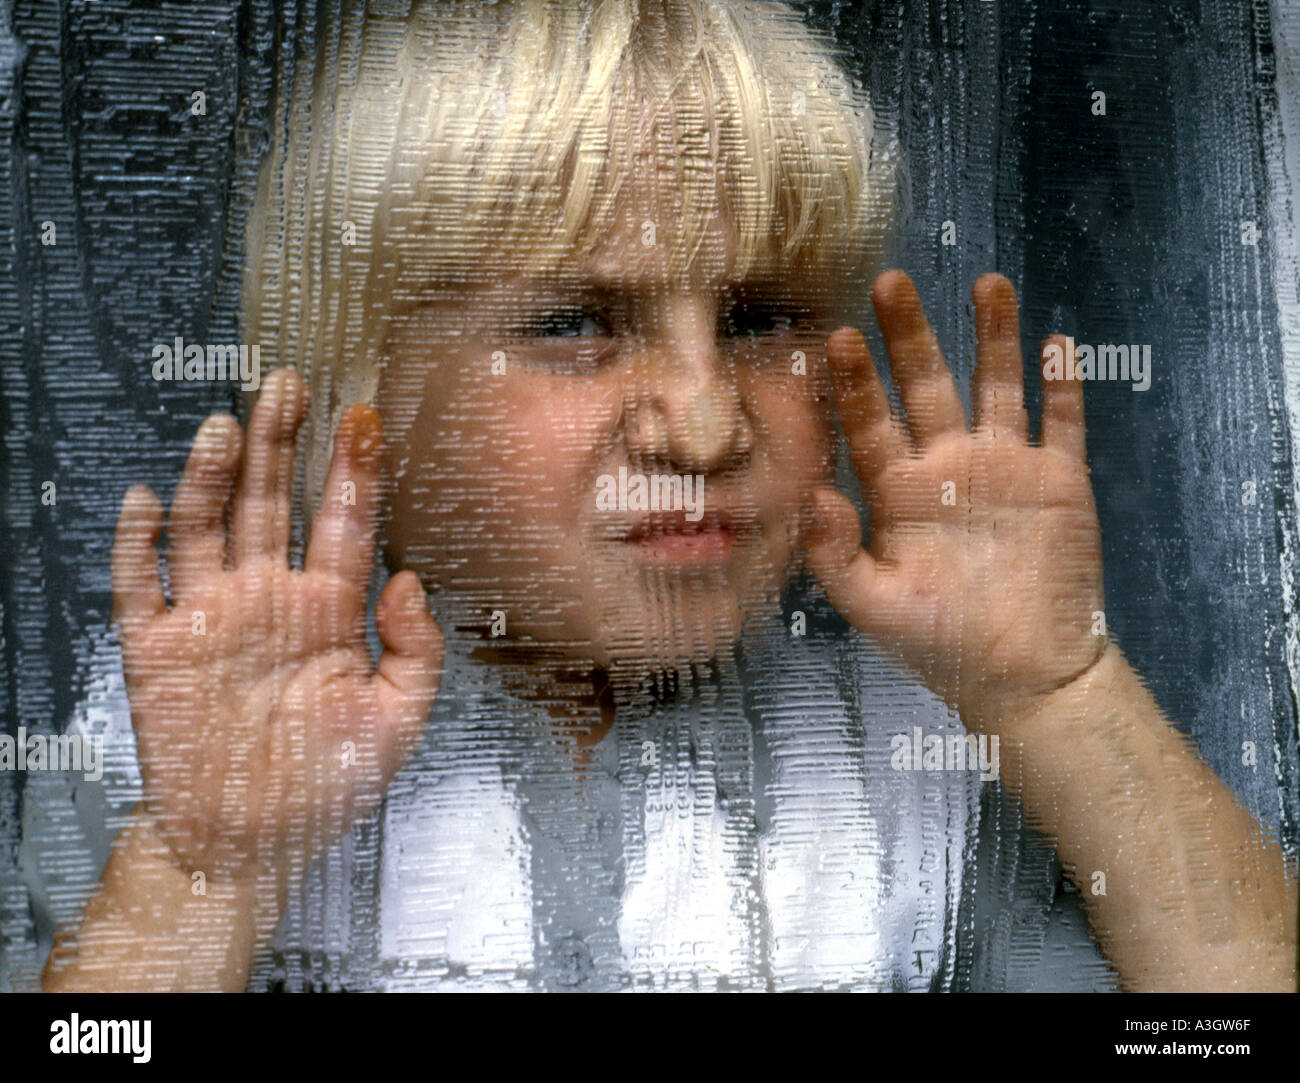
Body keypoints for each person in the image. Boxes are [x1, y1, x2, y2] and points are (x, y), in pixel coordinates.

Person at [38, 0, 1295, 992]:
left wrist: (1059, 697)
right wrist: (198, 875)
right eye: (577, 324)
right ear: (365, 397)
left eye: (758, 320)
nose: (701, 423)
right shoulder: (191, 745)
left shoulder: (904, 769)